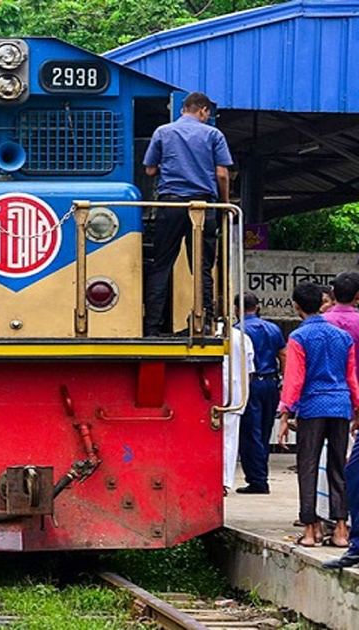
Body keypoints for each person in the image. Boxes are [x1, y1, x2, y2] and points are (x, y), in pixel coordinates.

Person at [141, 92, 233, 336]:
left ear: (184, 109)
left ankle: (151, 328)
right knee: (202, 267)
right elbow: (222, 174)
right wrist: (223, 204)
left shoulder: (163, 132)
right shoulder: (214, 134)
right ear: (203, 111)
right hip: (202, 207)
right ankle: (203, 324)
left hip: (170, 205)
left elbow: (150, 170)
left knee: (161, 265)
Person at [277, 283, 359, 548]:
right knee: (338, 467)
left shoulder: (299, 338)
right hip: (340, 406)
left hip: (312, 407)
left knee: (308, 467)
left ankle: (311, 531)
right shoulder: (342, 337)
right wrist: (357, 408)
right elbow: (351, 378)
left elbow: (294, 379)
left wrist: (285, 413)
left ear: (296, 306)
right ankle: (341, 531)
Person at [235, 292, 287, 494]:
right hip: (271, 383)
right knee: (265, 431)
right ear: (257, 306)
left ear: (237, 309)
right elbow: (283, 354)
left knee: (250, 432)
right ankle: (261, 473)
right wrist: (283, 379)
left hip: (251, 383)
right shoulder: (272, 328)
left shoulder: (238, 331)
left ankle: (257, 480)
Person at [223, 317, 254, 495]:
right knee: (229, 439)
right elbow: (250, 370)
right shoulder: (242, 338)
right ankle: (225, 482)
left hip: (212, 392)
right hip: (235, 395)